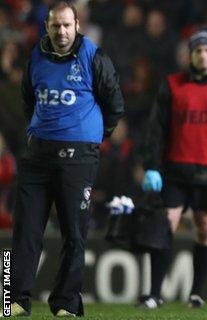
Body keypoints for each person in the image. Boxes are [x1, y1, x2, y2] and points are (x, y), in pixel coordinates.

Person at [10, 1, 124, 317]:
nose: (61, 31)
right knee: (26, 229)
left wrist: (91, 136)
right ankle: (15, 299)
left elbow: (114, 103)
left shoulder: (94, 56)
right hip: (37, 157)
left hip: (78, 158)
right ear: (46, 27)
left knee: (74, 233)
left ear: (77, 25)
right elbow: (28, 99)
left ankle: (65, 303)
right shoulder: (35, 56)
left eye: (67, 25)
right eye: (55, 26)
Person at [139, 29, 207, 309]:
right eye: (198, 50)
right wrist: (151, 166)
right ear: (190, 54)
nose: (202, 54)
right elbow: (157, 129)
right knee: (166, 225)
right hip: (176, 166)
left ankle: (196, 294)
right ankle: (154, 293)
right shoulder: (172, 85)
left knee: (205, 229)